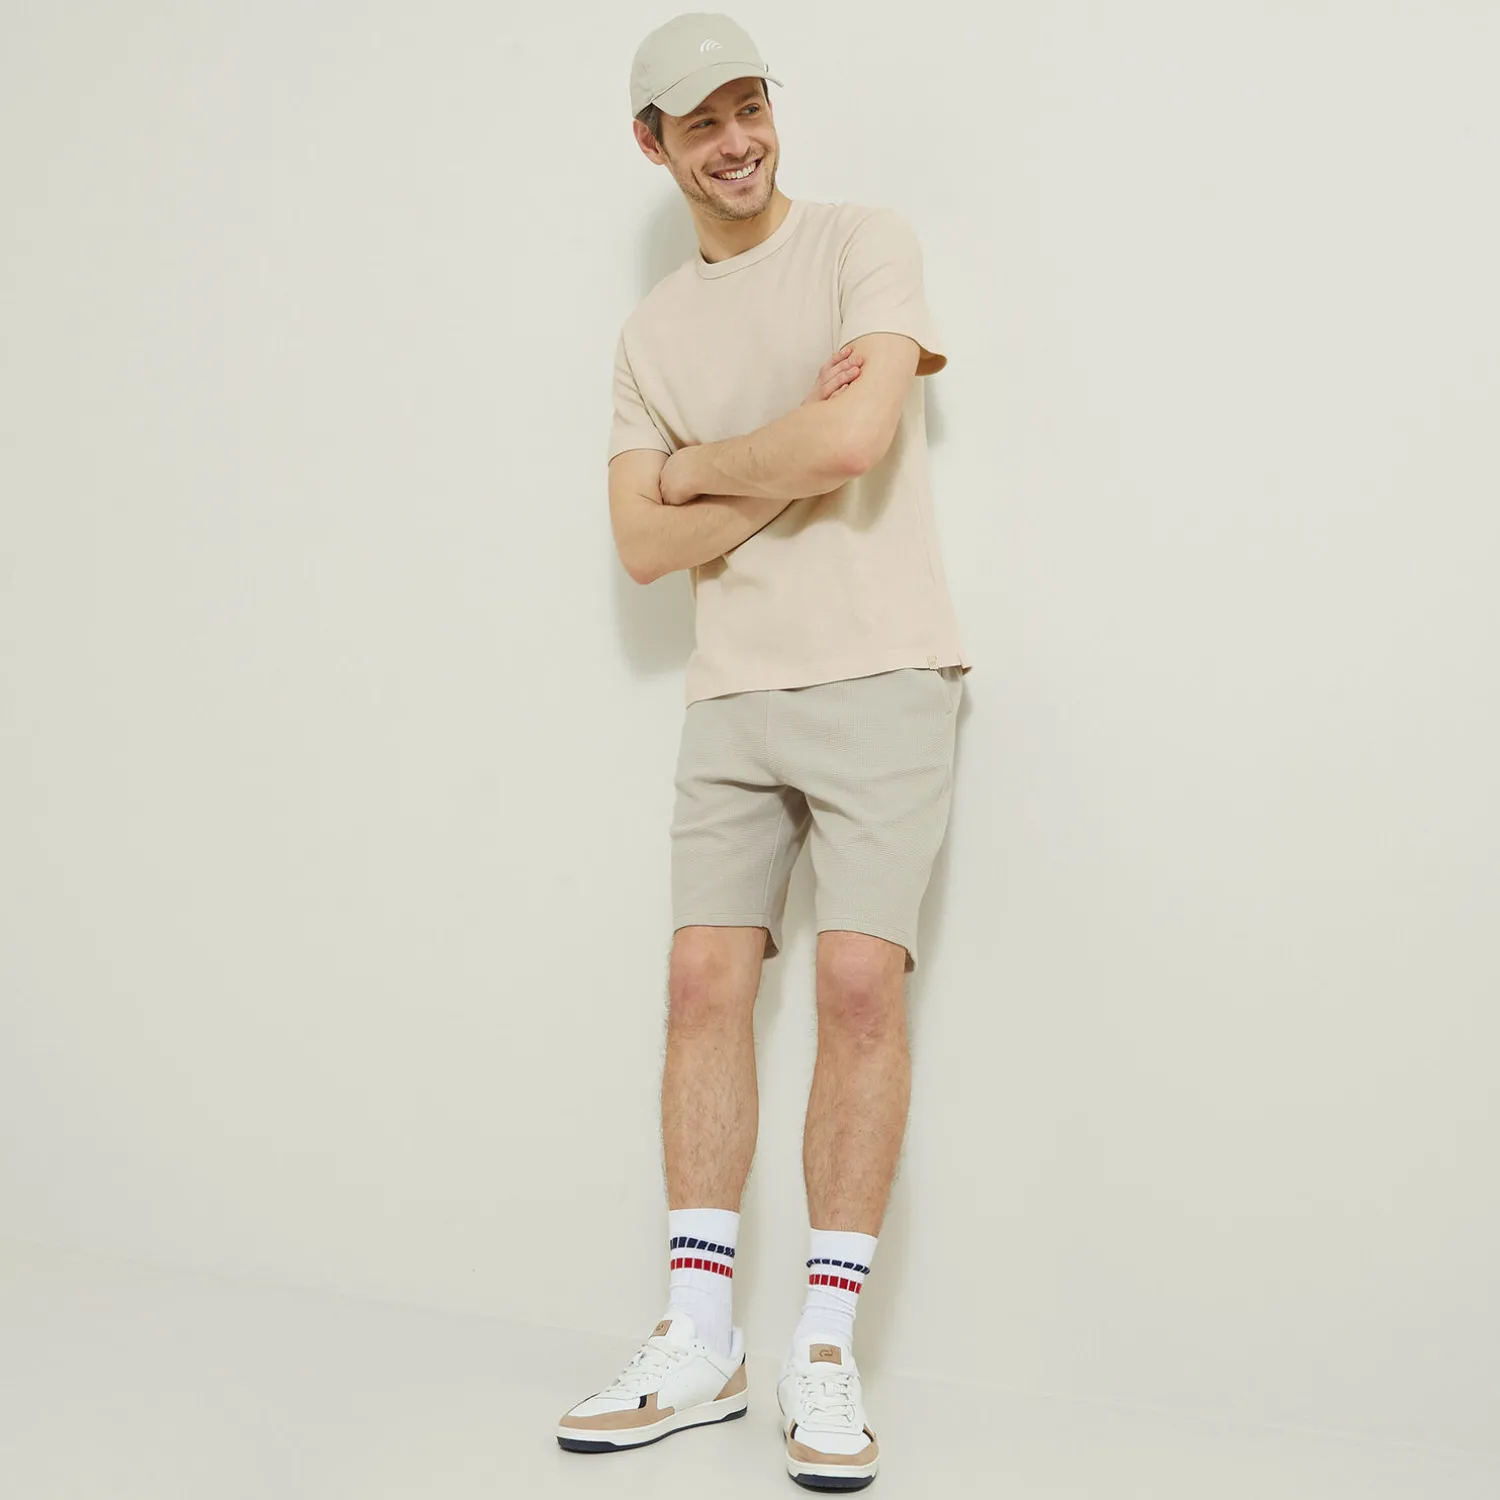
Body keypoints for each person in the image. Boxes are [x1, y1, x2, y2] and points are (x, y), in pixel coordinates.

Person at [555, 12, 971, 1490]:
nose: (737, 142)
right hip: (731, 692)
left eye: (751, 107)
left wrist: (695, 470)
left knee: (859, 985)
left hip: (886, 670)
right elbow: (637, 543)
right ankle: (699, 1340)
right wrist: (774, 449)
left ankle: (824, 1349)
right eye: (702, 122)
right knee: (699, 985)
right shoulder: (650, 334)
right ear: (652, 145)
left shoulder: (863, 242)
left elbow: (853, 445)